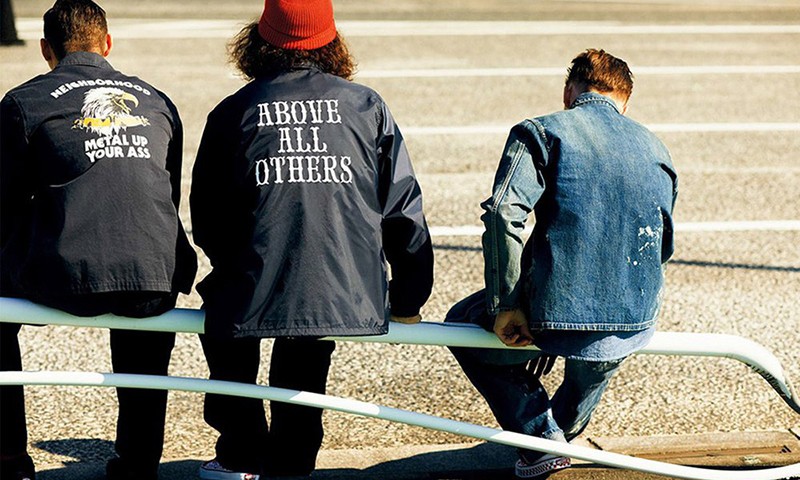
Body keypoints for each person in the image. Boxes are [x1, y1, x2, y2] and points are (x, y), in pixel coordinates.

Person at [189, 0, 434, 478]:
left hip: (251, 278)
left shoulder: (233, 111)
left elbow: (208, 216)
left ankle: (240, 451)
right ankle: (293, 462)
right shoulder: (367, 106)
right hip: (339, 283)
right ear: (331, 42)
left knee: (226, 316)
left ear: (258, 42)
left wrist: (240, 259)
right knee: (307, 336)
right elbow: (403, 210)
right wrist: (408, 296)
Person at [447, 49, 678, 479]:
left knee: (461, 322)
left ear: (569, 91)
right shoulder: (656, 145)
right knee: (596, 358)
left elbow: (503, 213)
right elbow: (663, 239)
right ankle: (560, 435)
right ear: (625, 101)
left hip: (557, 306)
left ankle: (542, 438)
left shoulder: (541, 131)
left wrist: (508, 303)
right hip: (634, 315)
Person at [0, 1, 197, 479]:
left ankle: (8, 458)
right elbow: (163, 194)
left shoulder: (23, 103)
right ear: (107, 44)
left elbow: (3, 204)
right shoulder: (157, 100)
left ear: (46, 49)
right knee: (143, 288)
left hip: (67, 276)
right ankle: (138, 460)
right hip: (156, 276)